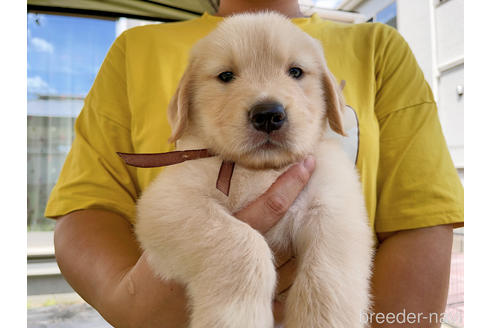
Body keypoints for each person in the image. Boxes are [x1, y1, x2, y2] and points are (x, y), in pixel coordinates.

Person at [46, 0, 464, 327]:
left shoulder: (378, 47)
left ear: (331, 102)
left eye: (296, 71)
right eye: (226, 76)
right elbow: (137, 213)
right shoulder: (135, 51)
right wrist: (134, 304)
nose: (268, 104)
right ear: (184, 103)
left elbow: (416, 224)